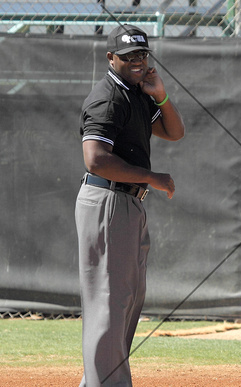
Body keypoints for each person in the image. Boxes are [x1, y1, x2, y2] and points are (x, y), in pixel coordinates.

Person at [75, 24, 185, 386]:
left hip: (127, 202)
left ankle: (100, 381)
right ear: (111, 58)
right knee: (110, 300)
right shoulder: (110, 96)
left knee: (126, 301)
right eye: (128, 57)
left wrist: (161, 95)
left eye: (141, 55)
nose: (137, 61)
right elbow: (95, 159)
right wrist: (151, 177)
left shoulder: (136, 92)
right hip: (108, 199)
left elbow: (173, 131)